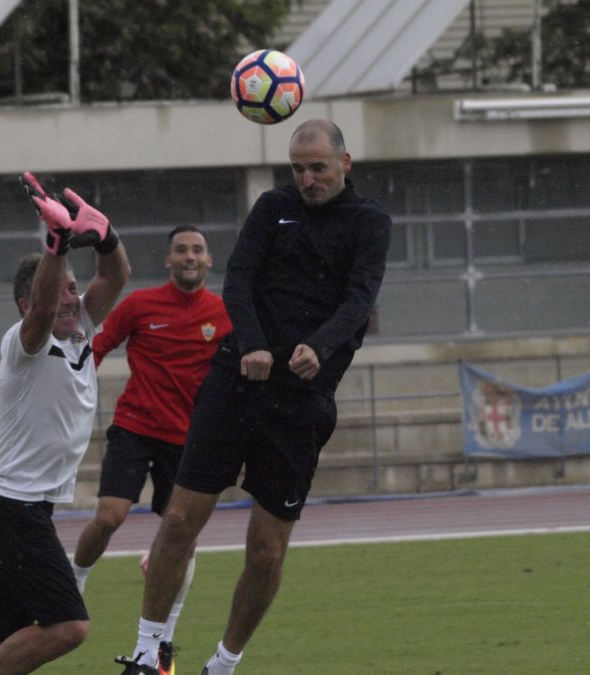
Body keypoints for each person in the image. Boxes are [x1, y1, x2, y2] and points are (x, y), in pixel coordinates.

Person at [117, 119, 392, 675]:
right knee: (179, 518)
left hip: (302, 401)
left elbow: (359, 299)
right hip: (236, 382)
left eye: (318, 167)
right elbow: (238, 280)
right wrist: (253, 344)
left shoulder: (370, 222)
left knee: (266, 551)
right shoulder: (273, 207)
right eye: (298, 168)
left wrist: (320, 346)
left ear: (344, 163)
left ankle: (223, 664)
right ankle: (149, 652)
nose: (307, 178)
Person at [0, 172, 130, 675]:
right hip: (11, 509)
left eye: (74, 289)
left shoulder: (81, 331)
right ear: (26, 303)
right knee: (69, 626)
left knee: (0, 639)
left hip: (9, 509)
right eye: (62, 290)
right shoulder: (25, 342)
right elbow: (42, 310)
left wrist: (106, 238)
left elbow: (115, 276)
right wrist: (56, 245)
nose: (71, 298)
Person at [72, 225, 232, 640]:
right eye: (181, 250)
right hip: (135, 428)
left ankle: (164, 635)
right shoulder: (140, 305)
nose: (189, 256)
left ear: (209, 260)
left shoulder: (224, 314)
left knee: (184, 538)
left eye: (197, 250)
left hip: (188, 441)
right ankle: (74, 583)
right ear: (168, 260)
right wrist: (74, 391)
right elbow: (97, 346)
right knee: (110, 516)